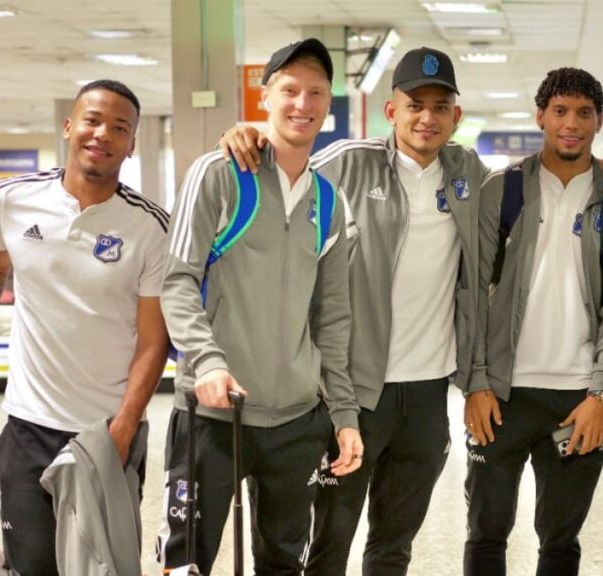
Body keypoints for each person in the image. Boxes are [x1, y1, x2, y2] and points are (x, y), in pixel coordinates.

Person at [218, 47, 603, 576]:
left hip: (428, 393)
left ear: (455, 117)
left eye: (440, 107)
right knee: (329, 541)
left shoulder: (468, 172)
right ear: (391, 111)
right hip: (353, 392)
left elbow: (548, 181)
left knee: (394, 544)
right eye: (415, 104)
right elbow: (284, 167)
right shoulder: (348, 161)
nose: (426, 118)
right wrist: (246, 136)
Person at [157, 39, 363, 574]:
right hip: (213, 414)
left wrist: (342, 413)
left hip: (296, 421)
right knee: (185, 561)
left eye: (316, 92)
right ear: (265, 94)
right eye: (290, 89)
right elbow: (176, 280)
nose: (303, 103)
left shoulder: (329, 202)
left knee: (281, 562)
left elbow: (333, 316)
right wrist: (207, 361)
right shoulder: (219, 175)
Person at [0, 79, 169, 575]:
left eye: (120, 127)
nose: (103, 134)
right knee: (32, 564)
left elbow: (154, 340)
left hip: (106, 429)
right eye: (92, 120)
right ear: (69, 126)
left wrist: (123, 427)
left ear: (132, 144)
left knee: (103, 565)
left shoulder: (151, 226)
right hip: (29, 424)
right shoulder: (10, 199)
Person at [464, 67, 603, 576]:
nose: (572, 124)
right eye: (560, 111)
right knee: (485, 533)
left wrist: (601, 396)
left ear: (599, 120)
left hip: (578, 400)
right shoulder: (502, 192)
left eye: (584, 113)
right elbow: (472, 291)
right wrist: (475, 381)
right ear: (540, 115)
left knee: (561, 541)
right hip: (501, 396)